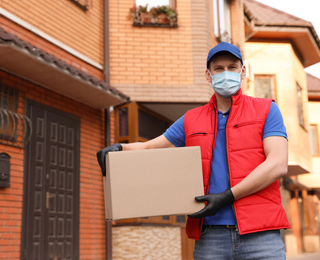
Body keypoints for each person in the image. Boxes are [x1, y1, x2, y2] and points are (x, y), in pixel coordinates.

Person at [97, 42, 290, 259]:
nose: (225, 73)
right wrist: (120, 148)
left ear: (242, 71)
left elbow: (277, 164)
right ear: (208, 75)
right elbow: (150, 146)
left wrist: (227, 197)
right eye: (218, 68)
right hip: (210, 236)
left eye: (232, 67)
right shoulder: (191, 119)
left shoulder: (267, 110)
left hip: (260, 234)